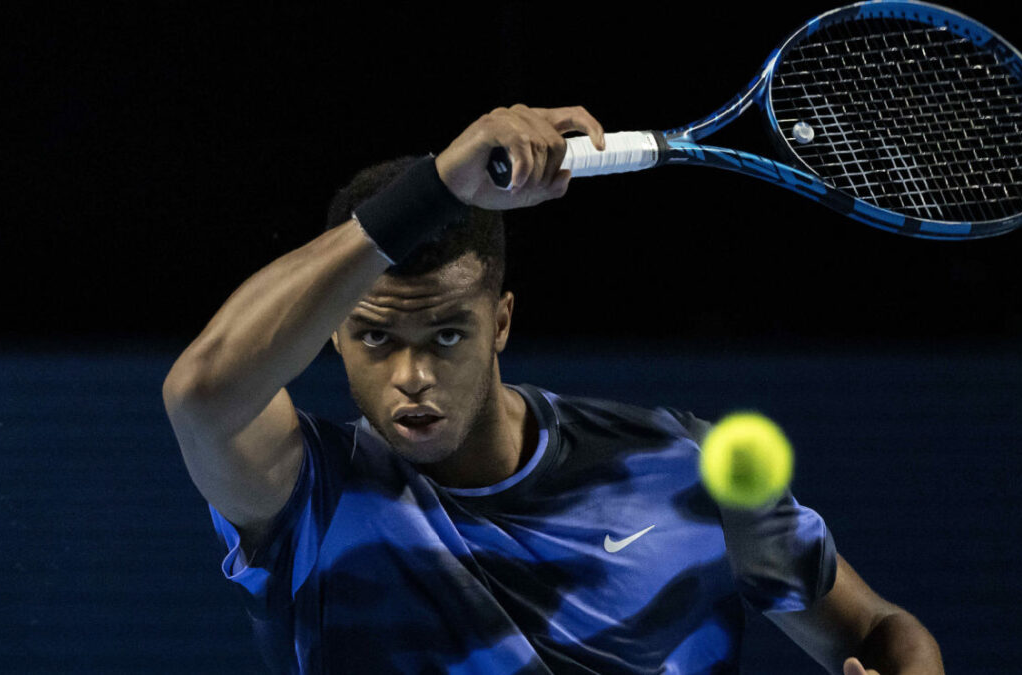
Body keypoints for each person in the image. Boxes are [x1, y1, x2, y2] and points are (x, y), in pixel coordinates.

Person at [162, 104, 944, 674]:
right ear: (332, 333)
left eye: (446, 335)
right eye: (375, 338)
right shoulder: (308, 499)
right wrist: (440, 182)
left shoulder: (688, 470)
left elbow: (877, 628)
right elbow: (201, 391)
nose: (413, 376)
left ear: (501, 322)